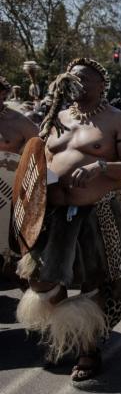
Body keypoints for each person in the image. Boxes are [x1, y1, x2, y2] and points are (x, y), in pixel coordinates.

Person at [16, 58, 121, 382]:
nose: (77, 83)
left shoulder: (118, 121)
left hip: (99, 212)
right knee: (44, 281)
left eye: (85, 79)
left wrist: (99, 168)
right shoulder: (56, 118)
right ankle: (66, 335)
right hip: (53, 214)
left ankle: (88, 349)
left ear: (102, 84)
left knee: (94, 284)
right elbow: (39, 161)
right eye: (72, 77)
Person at [0, 75, 39, 274]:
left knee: (8, 241)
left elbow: (41, 146)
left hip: (8, 191)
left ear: (3, 94)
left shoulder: (17, 120)